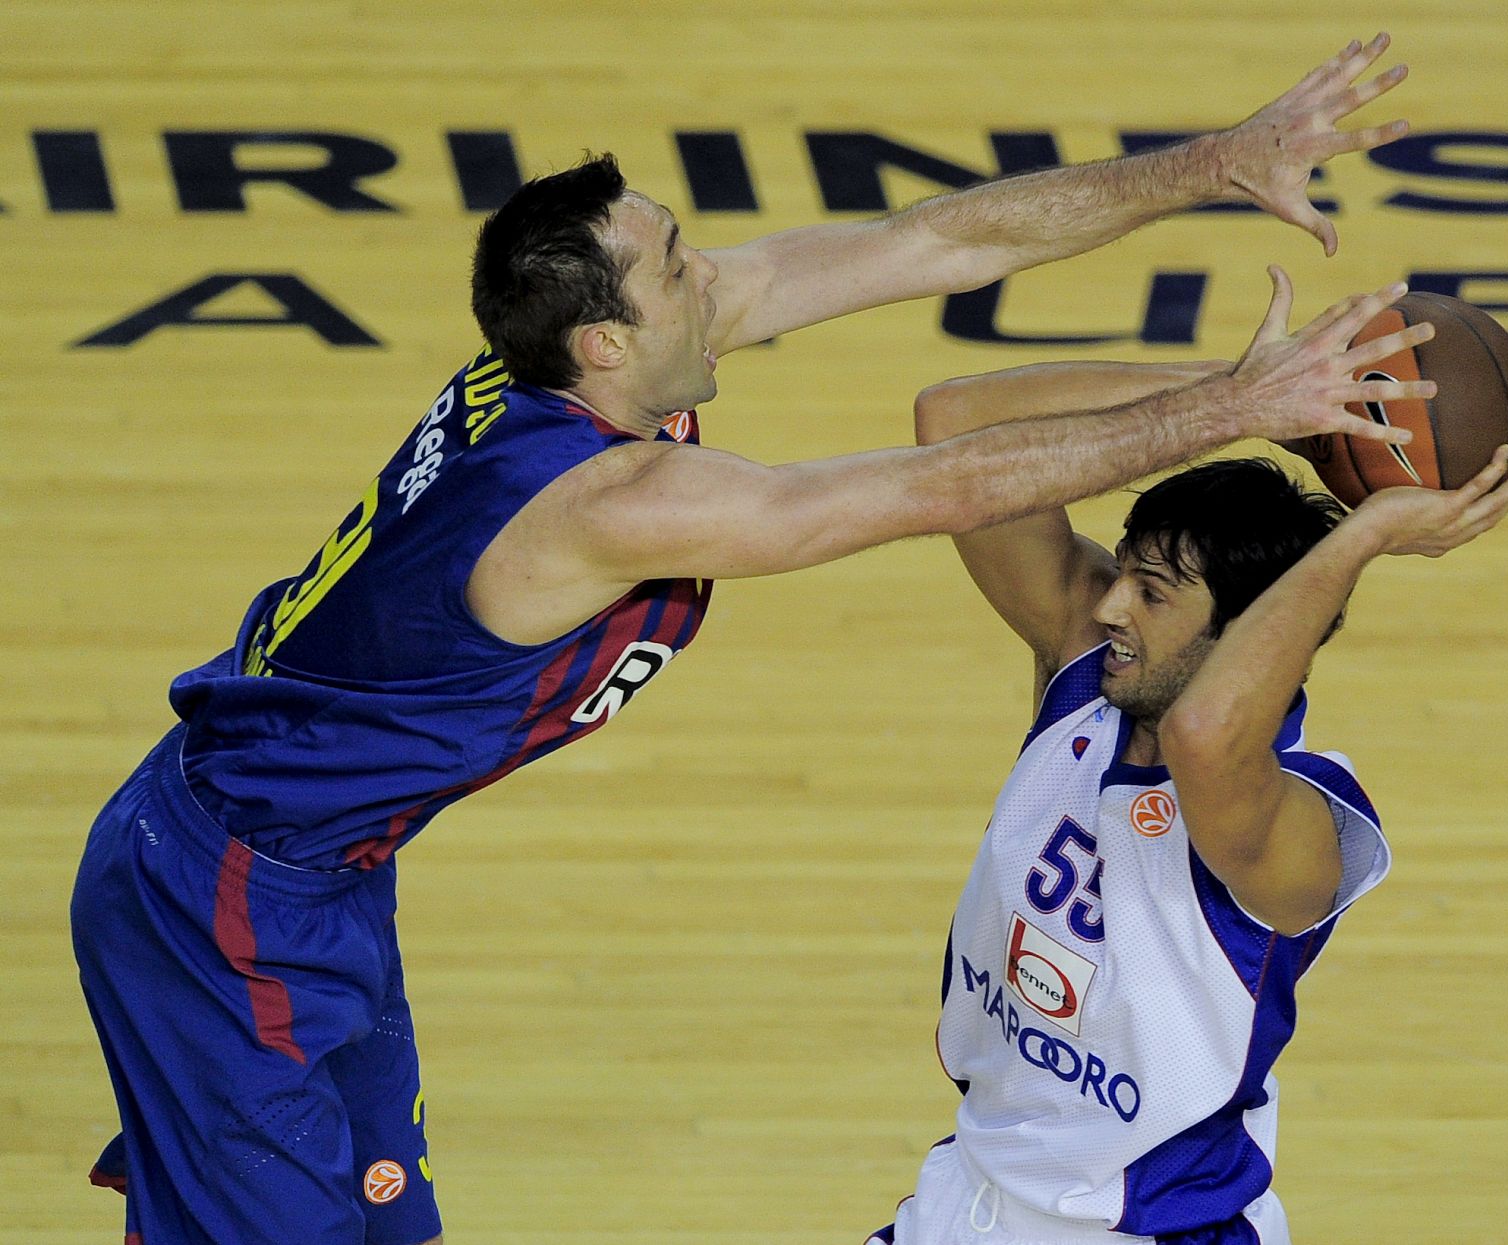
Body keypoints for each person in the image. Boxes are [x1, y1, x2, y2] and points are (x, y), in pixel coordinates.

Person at [72, 36, 1423, 1245]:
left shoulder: (576, 371)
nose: (710, 274)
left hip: (310, 874)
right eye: (675, 267)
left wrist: (1216, 163)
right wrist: (1233, 405)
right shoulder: (601, 504)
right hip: (227, 896)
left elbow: (935, 244)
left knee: (376, 1222)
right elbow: (932, 485)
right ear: (605, 344)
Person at [866, 335, 1508, 1245]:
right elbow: (961, 424)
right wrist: (1249, 396)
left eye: (1152, 592)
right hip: (967, 1196)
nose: (1109, 607)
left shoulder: (1299, 822)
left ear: (1245, 631)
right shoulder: (1090, 673)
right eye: (1124, 574)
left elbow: (1207, 735)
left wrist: (1365, 533)